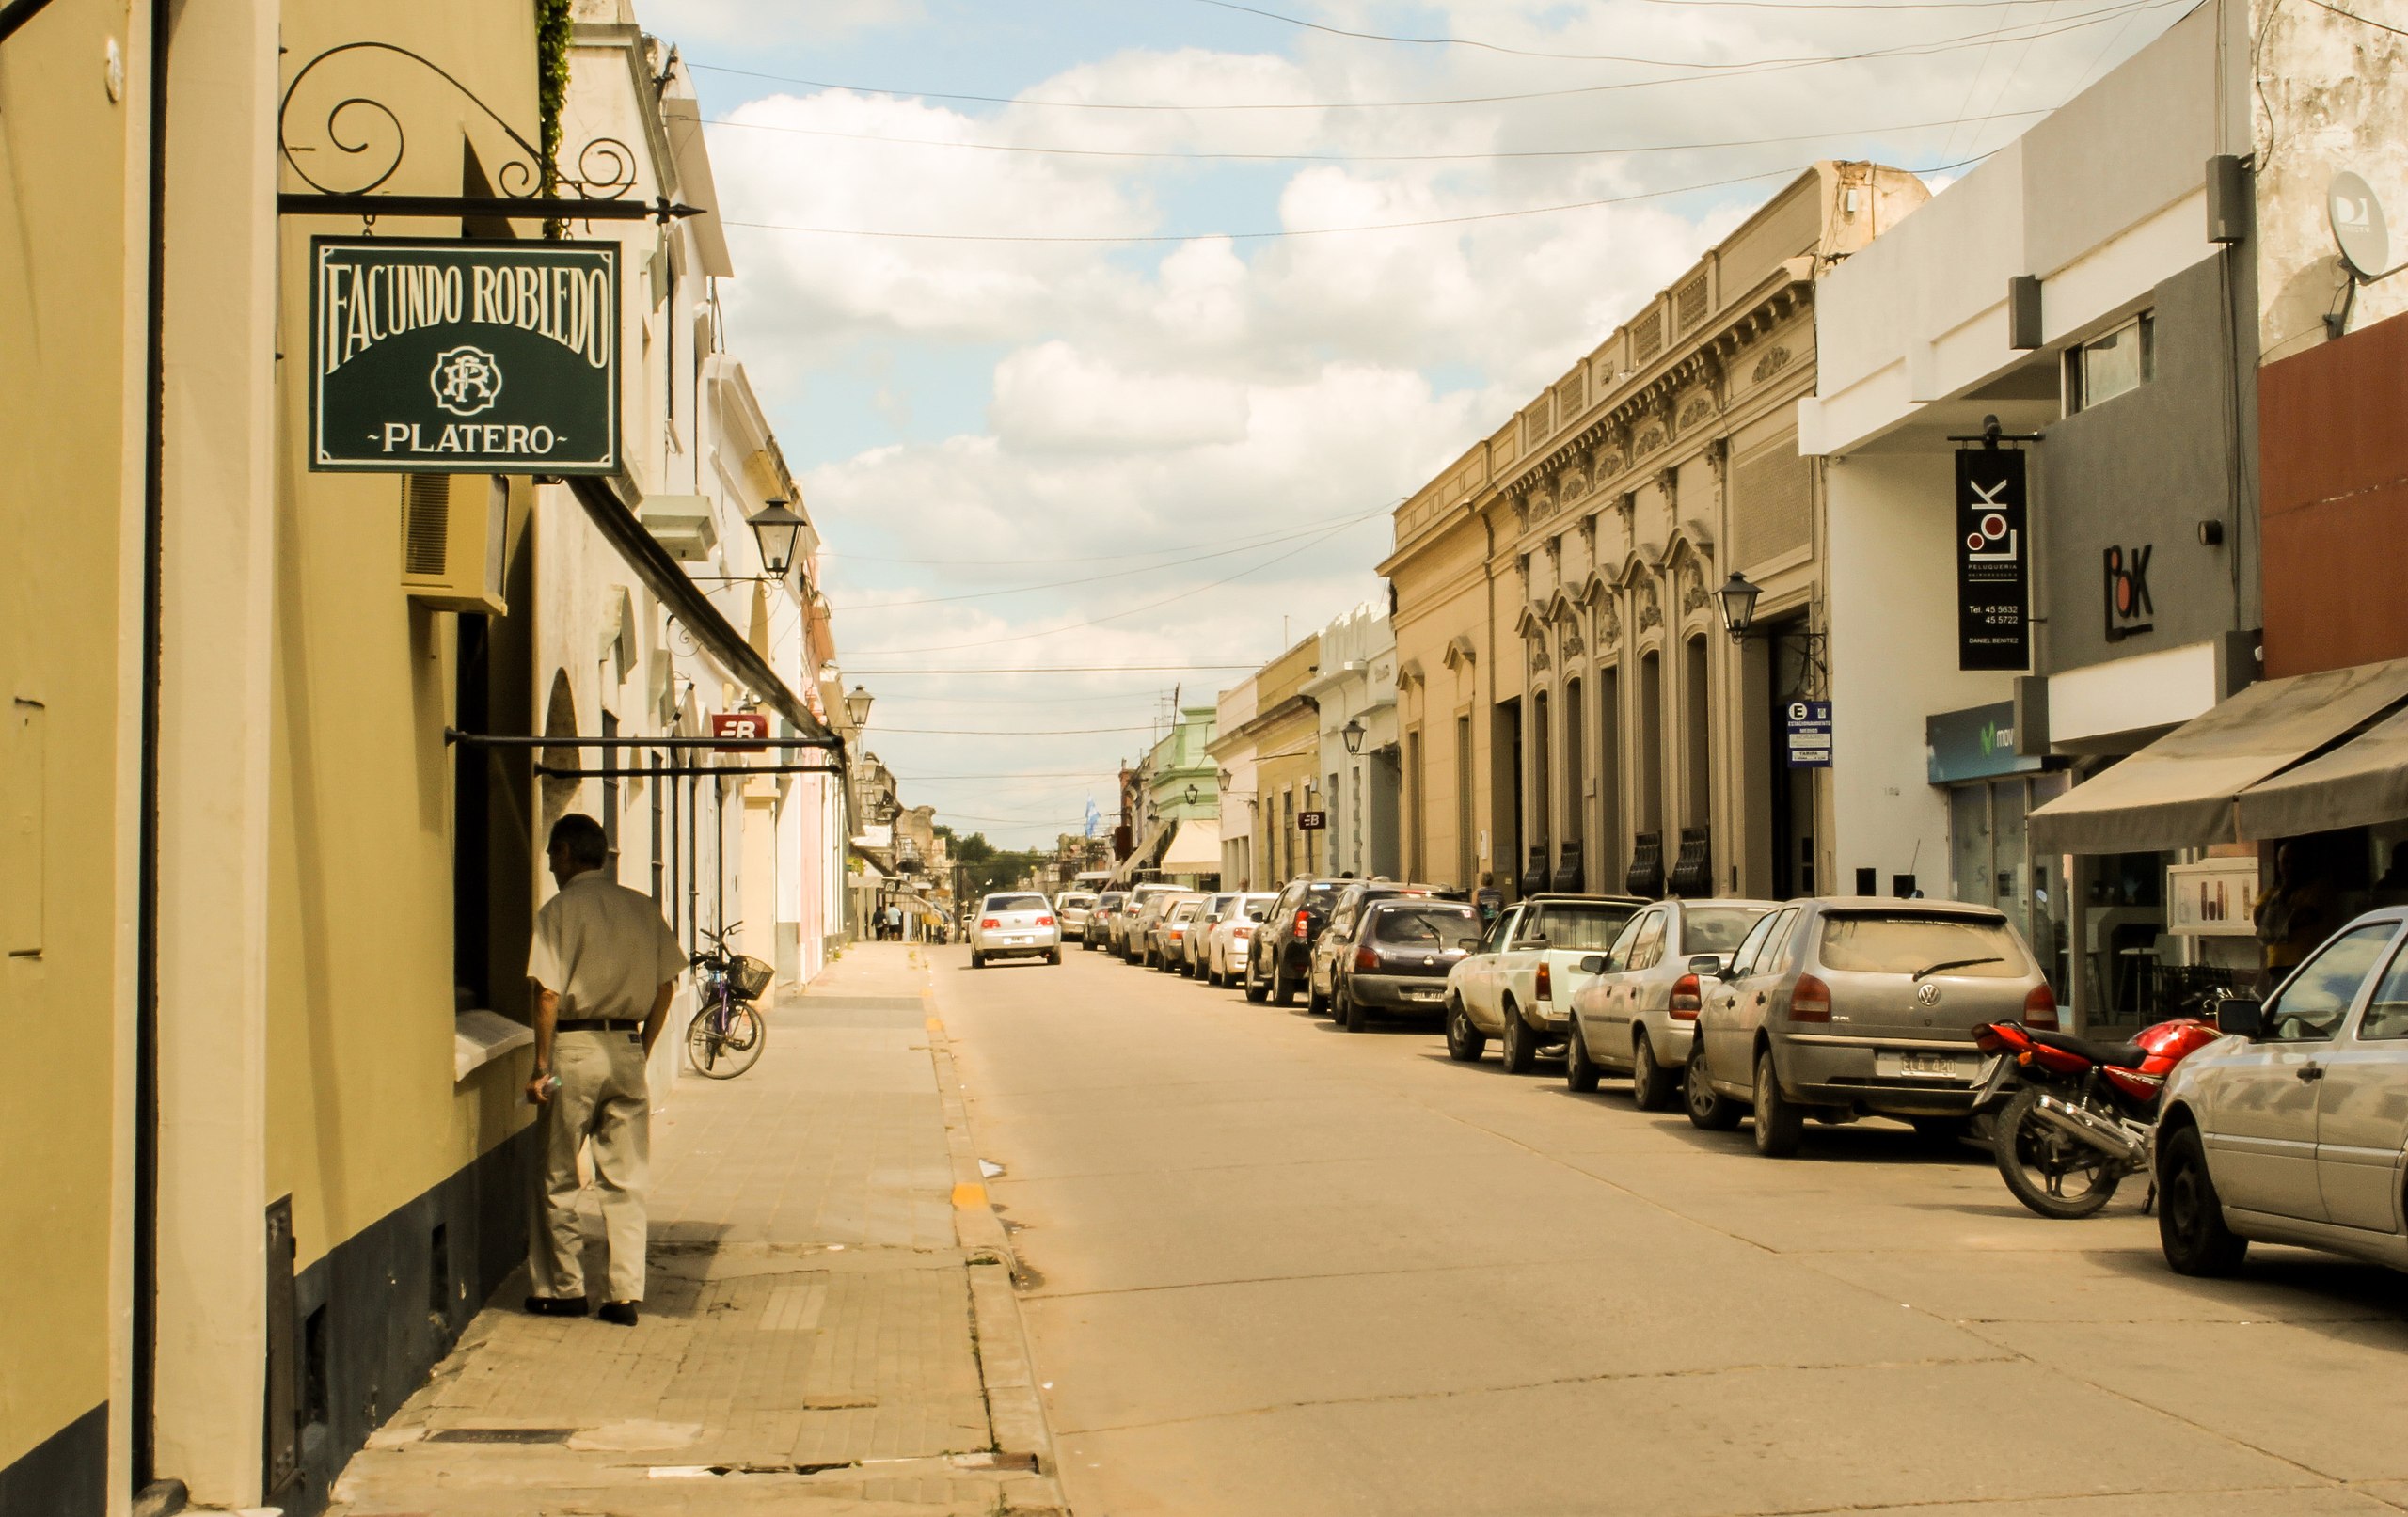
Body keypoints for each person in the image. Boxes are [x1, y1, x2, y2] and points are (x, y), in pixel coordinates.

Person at [523, 814, 684, 1327]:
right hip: (626, 1048)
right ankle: (623, 1294)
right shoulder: (641, 908)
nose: (550, 865)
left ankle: (564, 1289)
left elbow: (547, 993)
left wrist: (541, 1066)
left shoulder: (560, 911)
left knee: (558, 1174)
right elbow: (666, 987)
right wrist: (645, 1046)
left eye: (552, 855)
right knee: (626, 1176)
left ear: (568, 853)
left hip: (572, 1052)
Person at [2255, 841, 2339, 989]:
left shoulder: (2317, 890)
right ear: (2279, 865)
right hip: (2277, 966)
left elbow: (2307, 916)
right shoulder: (2271, 894)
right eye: (2285, 862)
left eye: (2295, 861)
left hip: (2306, 963)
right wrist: (2284, 893)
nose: (2290, 867)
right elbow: (2260, 920)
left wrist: (2277, 921)